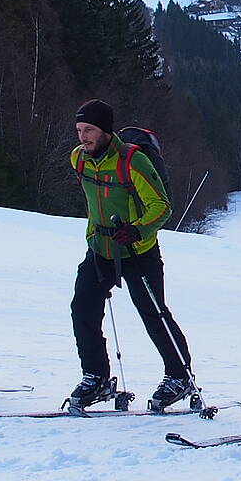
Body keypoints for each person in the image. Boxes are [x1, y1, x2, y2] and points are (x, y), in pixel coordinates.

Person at [64, 100, 196, 412]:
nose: (83, 138)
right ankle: (95, 376)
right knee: (83, 309)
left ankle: (179, 376)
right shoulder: (78, 159)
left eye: (90, 131)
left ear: (106, 131)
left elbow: (162, 206)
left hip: (139, 251)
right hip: (100, 248)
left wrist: (137, 230)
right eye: (80, 130)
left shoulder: (133, 162)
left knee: (153, 314)